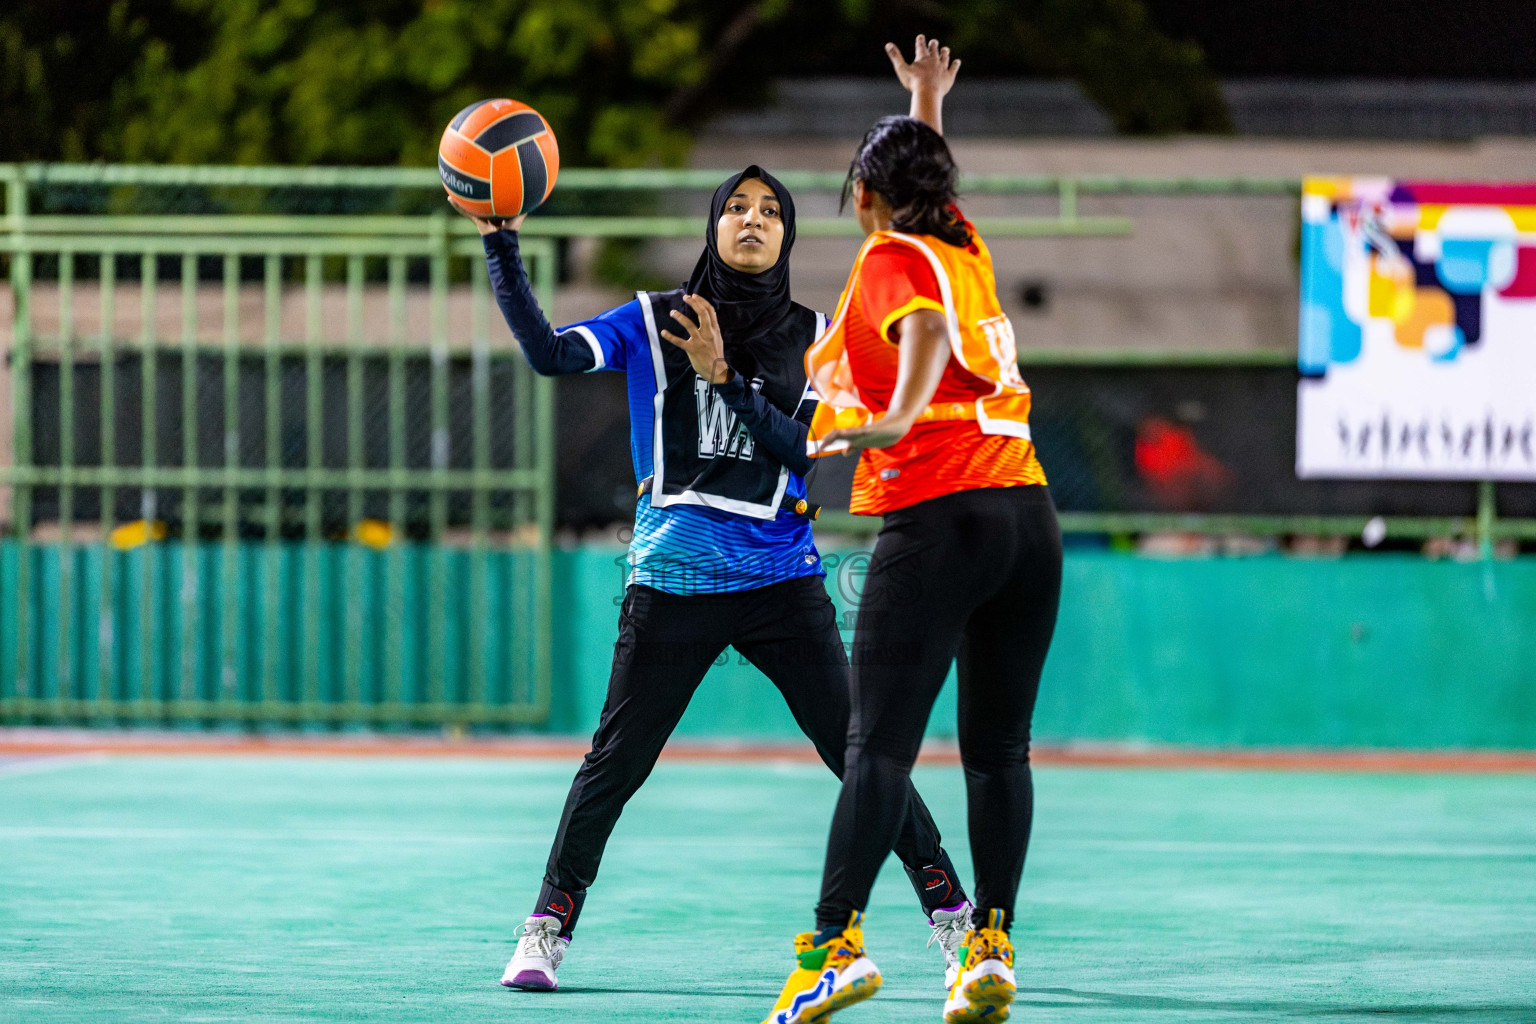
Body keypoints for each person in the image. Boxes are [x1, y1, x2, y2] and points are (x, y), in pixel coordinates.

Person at [466, 87, 975, 994]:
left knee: (861, 755)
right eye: (736, 206)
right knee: (615, 762)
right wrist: (501, 242)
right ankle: (546, 926)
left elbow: (800, 450)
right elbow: (548, 354)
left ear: (788, 237)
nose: (752, 218)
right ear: (714, 225)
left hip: (781, 580)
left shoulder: (820, 339)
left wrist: (726, 377)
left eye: (771, 209)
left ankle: (954, 917)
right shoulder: (649, 318)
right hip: (671, 578)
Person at [762, 36, 1062, 1024]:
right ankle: (990, 947)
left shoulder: (894, 257)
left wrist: (890, 420)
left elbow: (922, 333)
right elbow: (921, 185)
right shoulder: (959, 246)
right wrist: (926, 102)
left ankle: (833, 948)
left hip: (941, 509)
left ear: (863, 195)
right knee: (996, 750)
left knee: (879, 745)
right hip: (1027, 515)